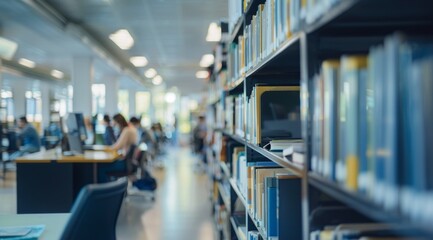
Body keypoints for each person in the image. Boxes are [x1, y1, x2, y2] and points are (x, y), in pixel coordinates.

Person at [98, 113, 138, 183]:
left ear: (118, 123)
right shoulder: (132, 129)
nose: (114, 127)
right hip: (130, 163)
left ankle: (104, 191)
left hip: (126, 164)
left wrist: (104, 149)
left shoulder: (127, 130)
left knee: (101, 168)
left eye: (115, 124)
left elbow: (118, 146)